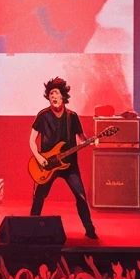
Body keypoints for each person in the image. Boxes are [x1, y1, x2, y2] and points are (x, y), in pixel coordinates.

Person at [28, 77, 98, 240]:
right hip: (47, 165)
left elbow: (81, 139)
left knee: (81, 196)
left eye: (57, 93)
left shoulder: (71, 116)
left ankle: (89, 229)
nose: (53, 96)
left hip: (69, 165)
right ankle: (29, 229)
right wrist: (38, 157)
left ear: (63, 96)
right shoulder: (43, 115)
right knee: (39, 197)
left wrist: (91, 142)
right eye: (51, 93)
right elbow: (31, 140)